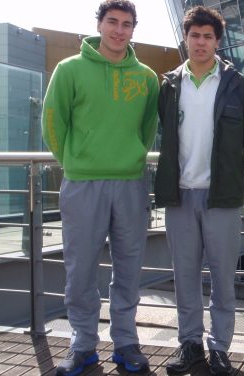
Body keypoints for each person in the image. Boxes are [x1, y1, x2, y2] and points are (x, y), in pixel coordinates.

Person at [41, 1, 159, 375]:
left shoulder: (147, 77)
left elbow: (147, 129)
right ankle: (83, 345)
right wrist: (75, 161)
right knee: (80, 270)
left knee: (128, 269)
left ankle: (125, 342)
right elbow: (53, 123)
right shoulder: (69, 69)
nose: (119, 30)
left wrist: (132, 156)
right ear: (99, 25)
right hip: (83, 183)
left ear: (133, 29)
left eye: (127, 24)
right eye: (113, 22)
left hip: (131, 183)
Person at [154, 6, 244, 376]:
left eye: (208, 36)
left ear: (218, 40)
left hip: (222, 198)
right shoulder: (169, 85)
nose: (201, 42)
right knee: (184, 276)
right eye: (195, 35)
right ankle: (190, 346)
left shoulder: (236, 84)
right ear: (186, 38)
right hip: (180, 195)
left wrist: (227, 173)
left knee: (222, 278)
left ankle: (220, 349)